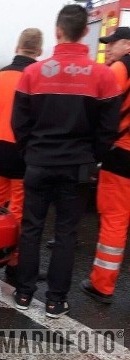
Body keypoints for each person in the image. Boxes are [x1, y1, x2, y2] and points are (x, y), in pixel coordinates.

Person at [12, 4, 121, 319]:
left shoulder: (32, 73)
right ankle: (55, 301)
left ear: (57, 31)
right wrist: (92, 157)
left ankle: (23, 292)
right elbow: (108, 129)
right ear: (86, 33)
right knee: (66, 233)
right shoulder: (103, 76)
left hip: (38, 163)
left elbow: (19, 125)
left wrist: (30, 153)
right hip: (77, 167)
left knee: (31, 229)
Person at [0, 28, 43, 278]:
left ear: (17, 47)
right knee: (19, 208)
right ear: (39, 50)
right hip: (22, 151)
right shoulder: (36, 76)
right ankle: (14, 262)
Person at [80, 27, 130, 304]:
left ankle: (102, 284)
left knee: (114, 219)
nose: (108, 49)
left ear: (127, 44)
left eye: (112, 44)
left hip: (121, 157)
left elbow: (96, 107)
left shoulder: (119, 70)